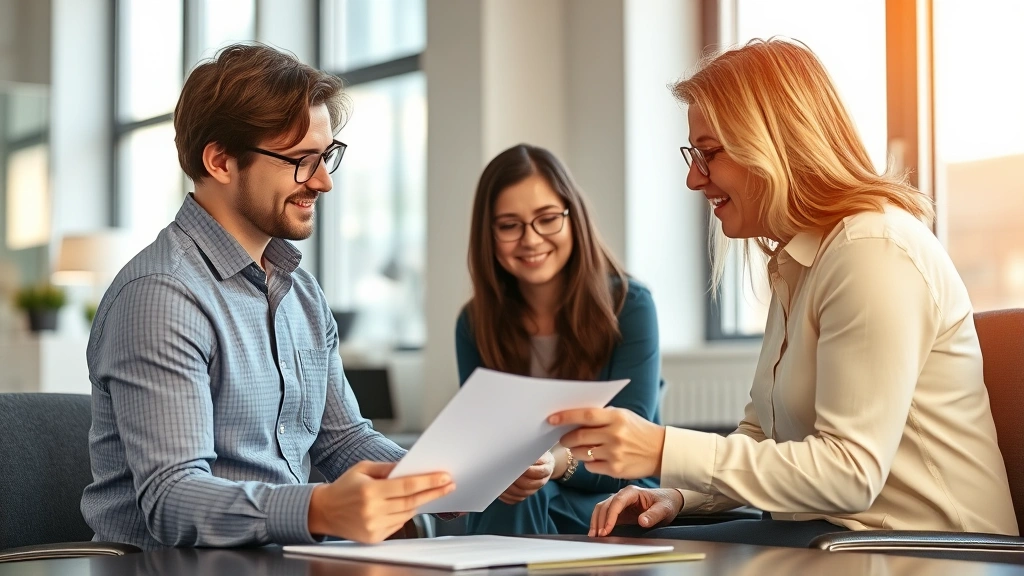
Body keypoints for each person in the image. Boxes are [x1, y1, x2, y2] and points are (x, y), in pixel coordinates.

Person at [549, 38, 1018, 547]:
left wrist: (662, 448)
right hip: (840, 540)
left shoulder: (872, 251)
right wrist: (679, 495)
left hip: (935, 552)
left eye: (709, 154)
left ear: (774, 144)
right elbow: (763, 437)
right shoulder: (801, 260)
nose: (693, 179)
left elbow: (849, 473)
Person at [81, 43, 454, 549]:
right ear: (221, 161)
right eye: (301, 161)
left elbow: (341, 440)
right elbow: (172, 498)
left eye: (326, 158)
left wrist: (448, 481)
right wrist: (319, 508)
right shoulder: (161, 296)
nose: (323, 182)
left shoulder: (301, 292)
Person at [455, 144, 661, 535]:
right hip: (521, 494)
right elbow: (482, 443)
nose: (531, 239)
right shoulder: (473, 324)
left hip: (615, 493)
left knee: (522, 495)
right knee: (514, 494)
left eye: (547, 219)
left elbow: (631, 445)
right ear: (489, 234)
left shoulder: (630, 306)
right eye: (509, 225)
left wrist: (554, 462)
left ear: (573, 217)